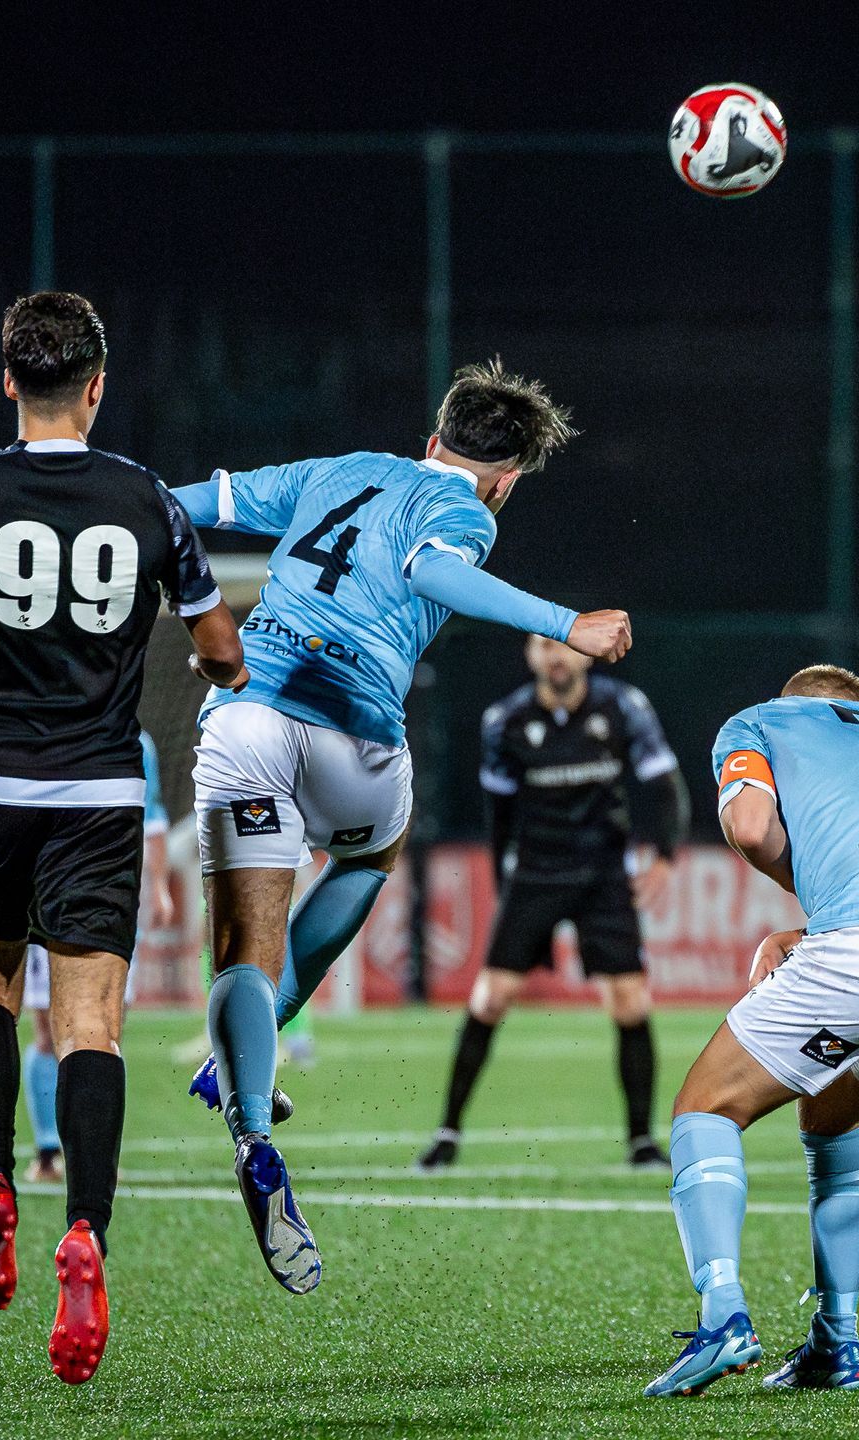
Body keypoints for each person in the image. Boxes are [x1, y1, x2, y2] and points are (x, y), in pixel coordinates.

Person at [172, 358, 632, 1295]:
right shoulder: (466, 509)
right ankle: (252, 1052)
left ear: (431, 439)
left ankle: (251, 1127)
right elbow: (432, 570)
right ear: (505, 481)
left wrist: (90, 515)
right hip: (358, 741)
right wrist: (566, 622)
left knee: (241, 952)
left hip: (250, 715)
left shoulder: (335, 471)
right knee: (370, 853)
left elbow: (188, 506)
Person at [0, 291, 246, 1384]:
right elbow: (222, 648)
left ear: (7, 382)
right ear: (97, 386)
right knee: (91, 1025)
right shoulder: (145, 498)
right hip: (97, 791)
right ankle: (86, 1230)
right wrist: (207, 659)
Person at [643, 665, 859, 1398]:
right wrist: (812, 929)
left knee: (706, 1107)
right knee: (828, 1115)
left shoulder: (762, 721)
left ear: (795, 703)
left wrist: (809, 902)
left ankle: (722, 1316)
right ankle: (837, 1341)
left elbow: (750, 828)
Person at [419, 634, 689, 1172]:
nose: (556, 656)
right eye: (544, 646)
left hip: (604, 874)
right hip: (536, 873)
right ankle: (446, 1134)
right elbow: (498, 813)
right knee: (490, 999)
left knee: (630, 1002)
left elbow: (666, 786)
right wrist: (503, 884)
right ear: (530, 656)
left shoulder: (623, 707)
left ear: (586, 653)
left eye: (564, 646)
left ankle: (641, 1142)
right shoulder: (505, 720)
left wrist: (663, 854)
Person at [20, 729, 174, 1184]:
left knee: (104, 1033)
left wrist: (159, 886)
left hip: (112, 900)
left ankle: (92, 1155)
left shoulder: (135, 742)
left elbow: (152, 816)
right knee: (48, 1032)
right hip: (48, 895)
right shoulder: (42, 729)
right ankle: (48, 1152)